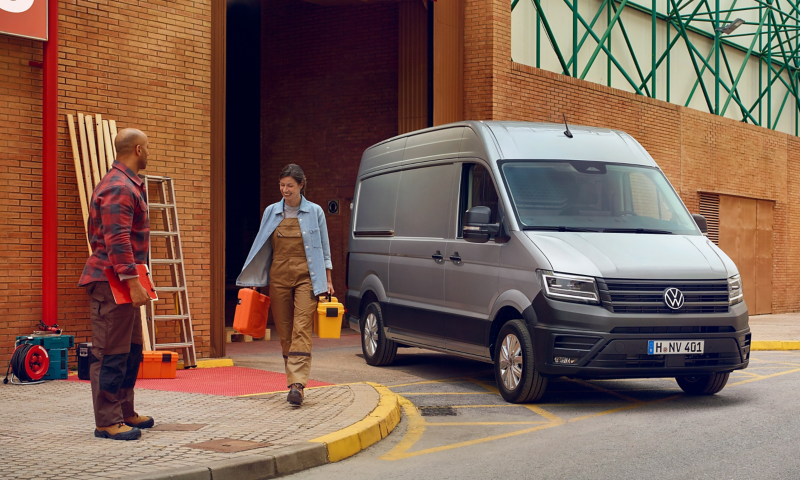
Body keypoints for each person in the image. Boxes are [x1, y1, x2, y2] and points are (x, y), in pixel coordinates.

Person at [78, 128, 154, 440]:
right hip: (112, 282)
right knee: (110, 352)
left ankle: (124, 411)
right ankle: (106, 421)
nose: (149, 152)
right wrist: (132, 280)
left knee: (130, 350)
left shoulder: (126, 184)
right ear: (137, 149)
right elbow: (118, 238)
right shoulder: (120, 186)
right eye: (147, 148)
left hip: (120, 282)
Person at [237, 164, 334, 406]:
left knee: (301, 327)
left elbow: (324, 248)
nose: (285, 190)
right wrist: (256, 280)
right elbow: (262, 248)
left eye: (290, 185)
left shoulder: (315, 212)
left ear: (301, 185)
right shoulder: (271, 211)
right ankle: (293, 380)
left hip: (307, 276)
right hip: (278, 275)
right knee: (285, 330)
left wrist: (328, 280)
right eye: (282, 185)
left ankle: (297, 385)